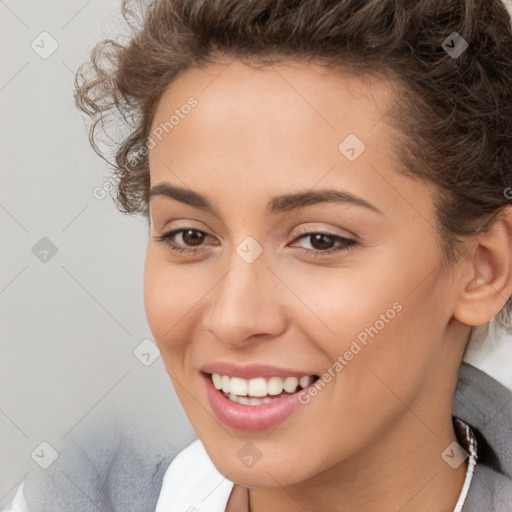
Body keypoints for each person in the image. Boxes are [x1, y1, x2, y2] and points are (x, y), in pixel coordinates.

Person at [5, 0, 512, 510]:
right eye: (190, 236)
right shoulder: (73, 494)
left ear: (484, 268)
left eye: (320, 240)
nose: (233, 318)